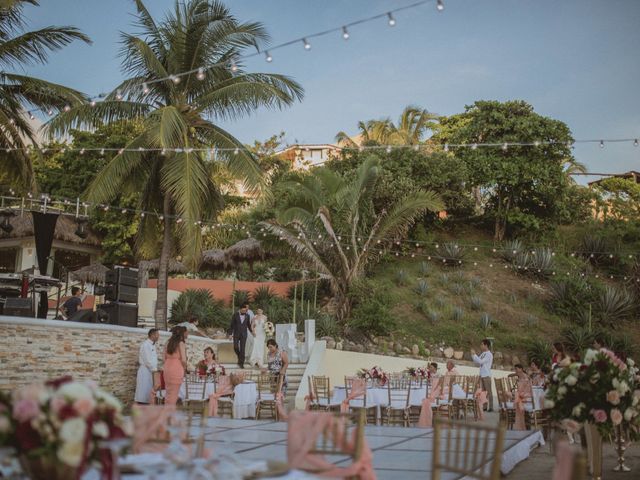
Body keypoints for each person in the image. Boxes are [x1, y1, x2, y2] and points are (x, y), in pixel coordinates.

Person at [134, 328, 160, 404]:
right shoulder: (145, 345)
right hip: (145, 371)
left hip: (151, 371)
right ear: (152, 335)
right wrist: (155, 370)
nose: (158, 336)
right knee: (142, 391)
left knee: (148, 392)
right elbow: (148, 360)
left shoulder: (153, 345)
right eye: (157, 335)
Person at [164, 326, 187, 406]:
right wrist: (184, 368)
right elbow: (184, 360)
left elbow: (164, 357)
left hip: (167, 367)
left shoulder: (167, 342)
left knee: (168, 393)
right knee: (174, 394)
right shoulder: (181, 343)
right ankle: (169, 415)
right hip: (176, 368)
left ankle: (166, 414)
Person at [471, 339, 494, 412]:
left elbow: (480, 361)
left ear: (486, 345)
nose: (480, 346)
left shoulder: (489, 354)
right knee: (483, 392)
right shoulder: (483, 353)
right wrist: (473, 355)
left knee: (489, 391)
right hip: (482, 374)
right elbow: (477, 362)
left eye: (482, 344)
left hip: (486, 374)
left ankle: (491, 407)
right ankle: (484, 406)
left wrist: (474, 355)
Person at [228, 303, 251, 368]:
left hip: (244, 334)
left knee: (242, 349)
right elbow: (231, 325)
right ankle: (240, 356)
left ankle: (241, 363)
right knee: (235, 347)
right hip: (236, 334)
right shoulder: (235, 315)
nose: (244, 311)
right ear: (240, 310)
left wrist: (252, 331)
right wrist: (230, 334)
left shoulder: (247, 316)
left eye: (245, 310)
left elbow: (248, 325)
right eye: (243, 310)